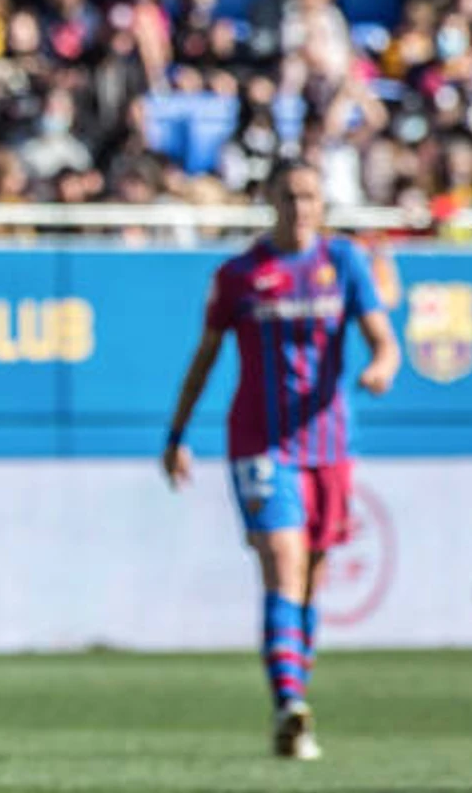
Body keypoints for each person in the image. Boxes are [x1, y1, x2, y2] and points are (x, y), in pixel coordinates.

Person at [161, 159, 401, 761]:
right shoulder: (240, 274)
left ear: (323, 203)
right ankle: (289, 704)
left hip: (328, 446)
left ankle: (295, 699)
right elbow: (205, 358)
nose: (301, 207)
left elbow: (383, 339)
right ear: (270, 200)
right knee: (284, 562)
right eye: (290, 196)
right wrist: (178, 432)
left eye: (311, 197)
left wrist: (381, 369)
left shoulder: (342, 263)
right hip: (261, 445)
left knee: (314, 578)